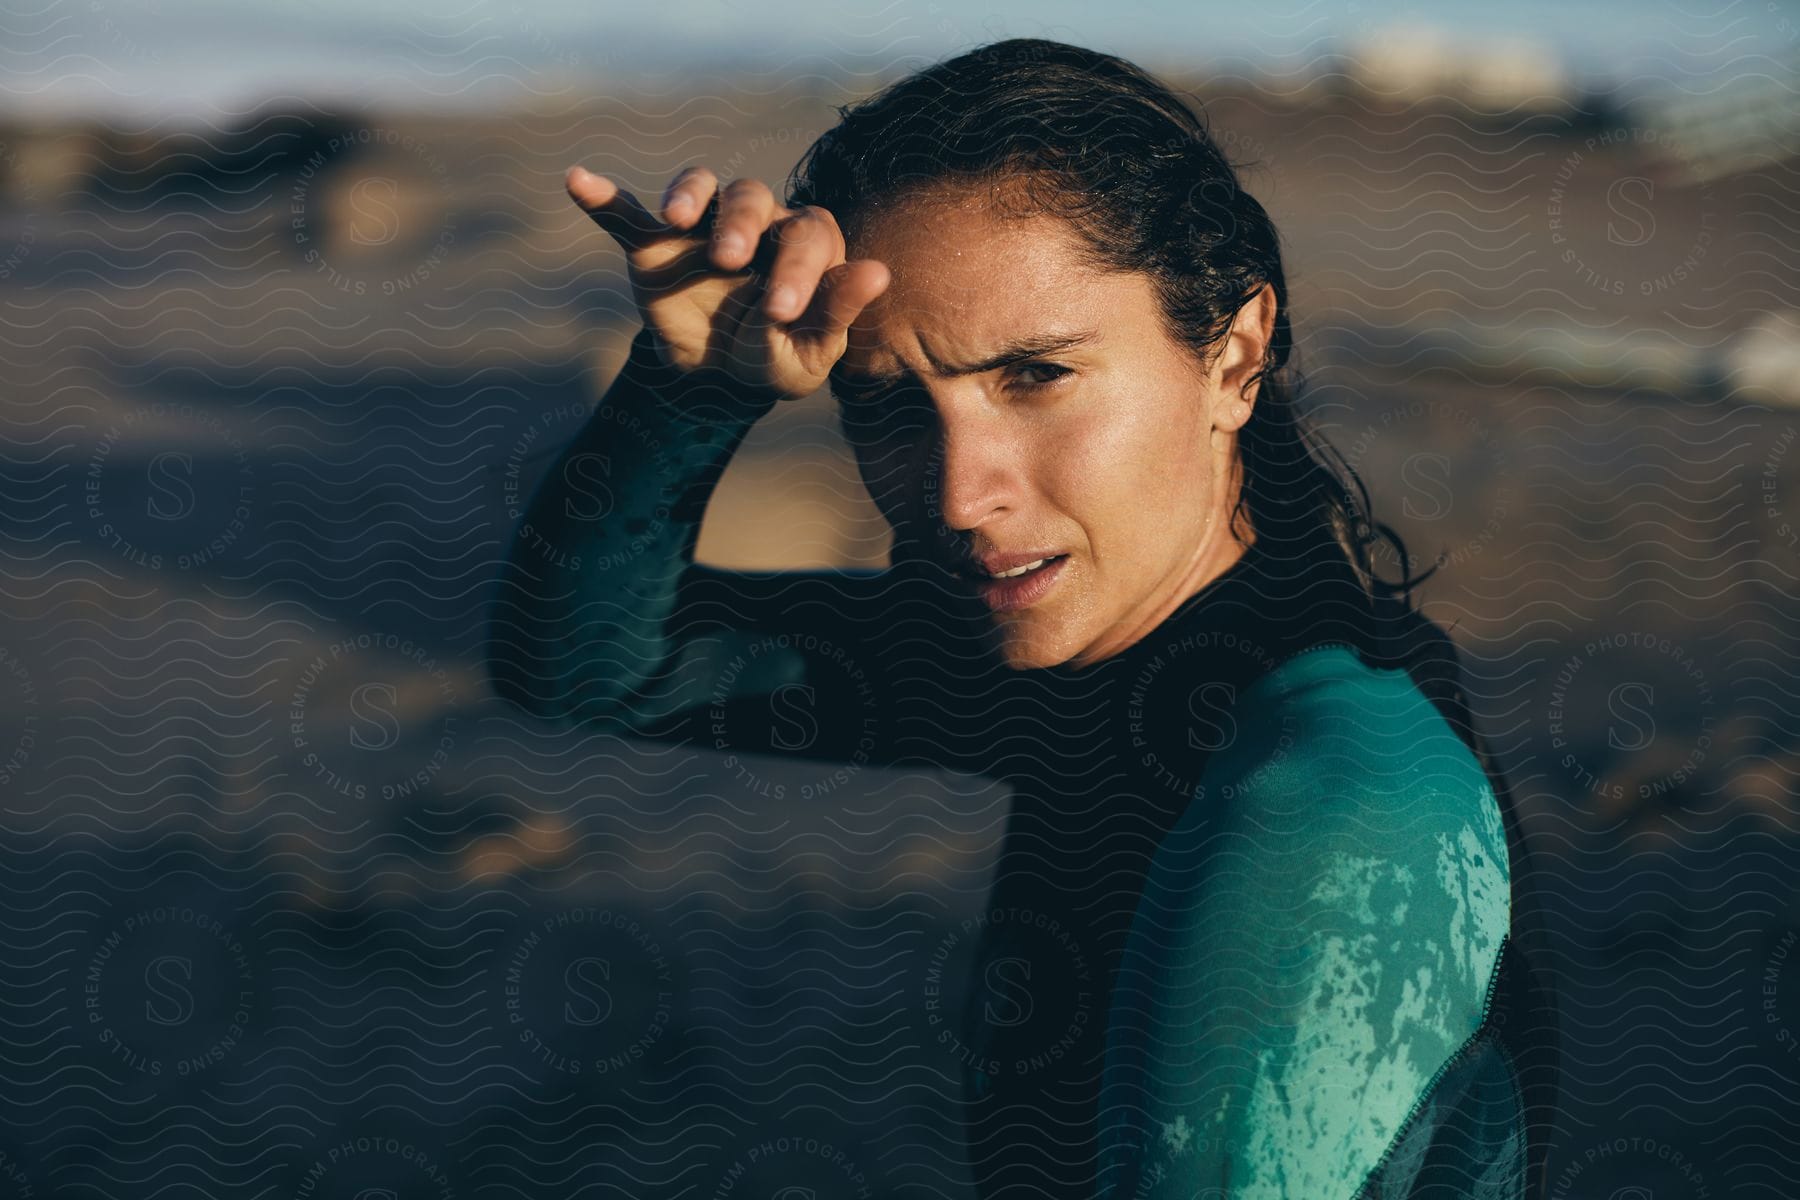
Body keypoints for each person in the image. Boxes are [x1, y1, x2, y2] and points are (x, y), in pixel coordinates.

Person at [488, 38, 1559, 1200]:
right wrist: (692, 386)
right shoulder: (1100, 652)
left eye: (1035, 376)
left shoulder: (1330, 798)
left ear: (1235, 356)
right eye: (888, 405)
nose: (959, 494)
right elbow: (593, 667)